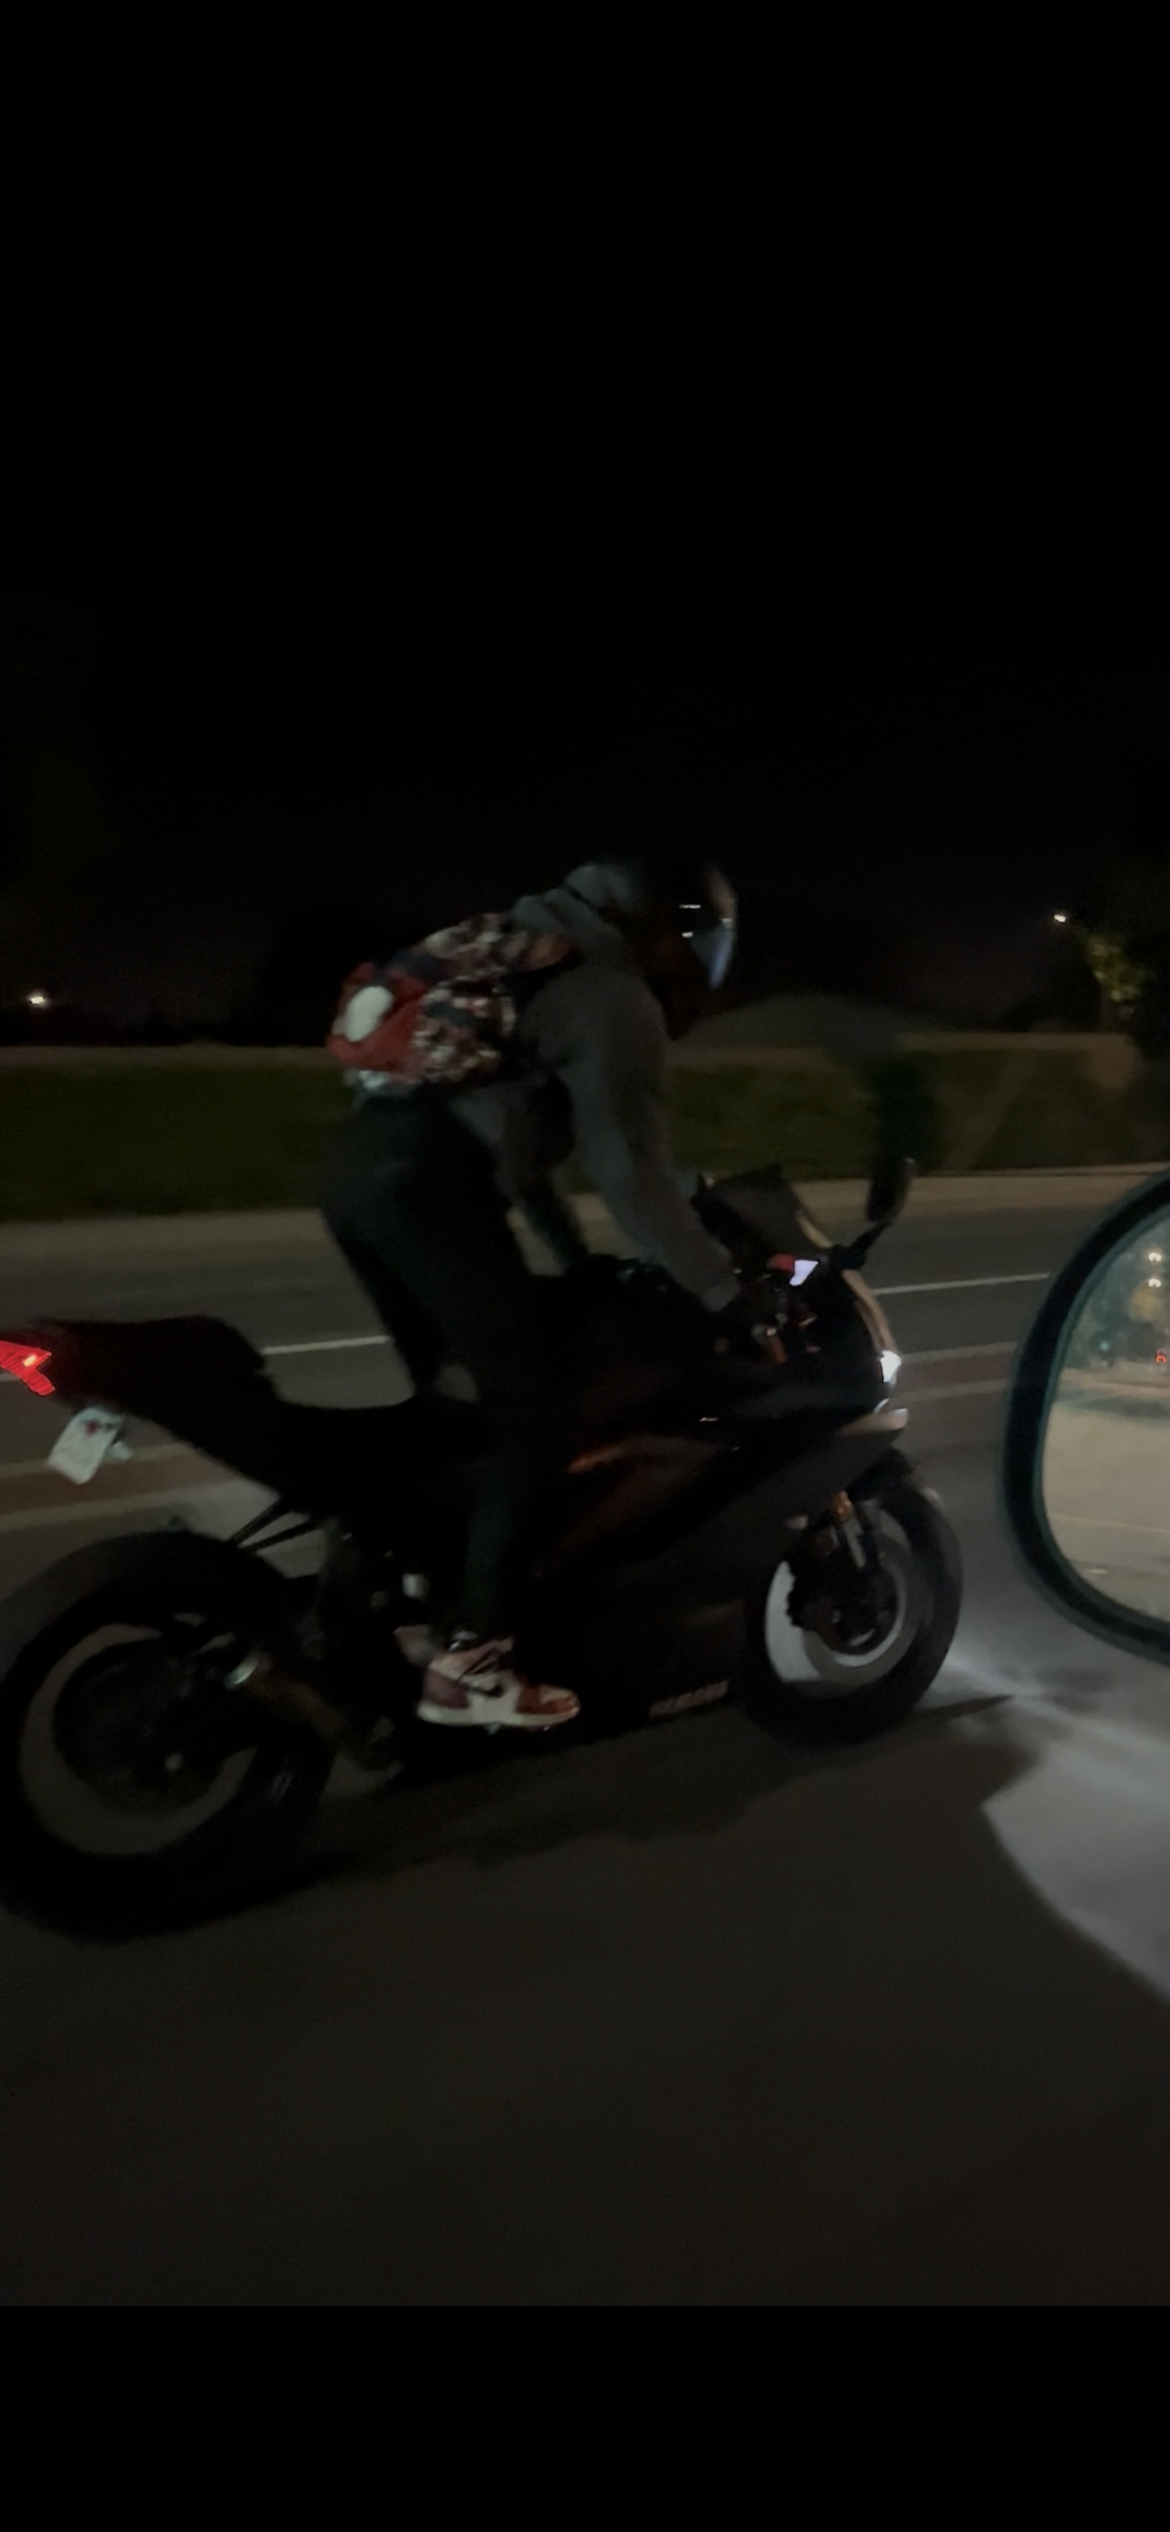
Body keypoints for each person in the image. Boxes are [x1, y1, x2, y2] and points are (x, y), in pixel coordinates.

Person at [321, 855, 748, 1731]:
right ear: (671, 933)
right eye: (699, 946)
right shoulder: (614, 996)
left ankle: (417, 1603)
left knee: (456, 1408)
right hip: (429, 1191)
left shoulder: (533, 952)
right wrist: (727, 1292)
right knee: (534, 1418)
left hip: (357, 1174)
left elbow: (524, 1165)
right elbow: (633, 1179)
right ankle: (471, 1663)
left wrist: (575, 1259)